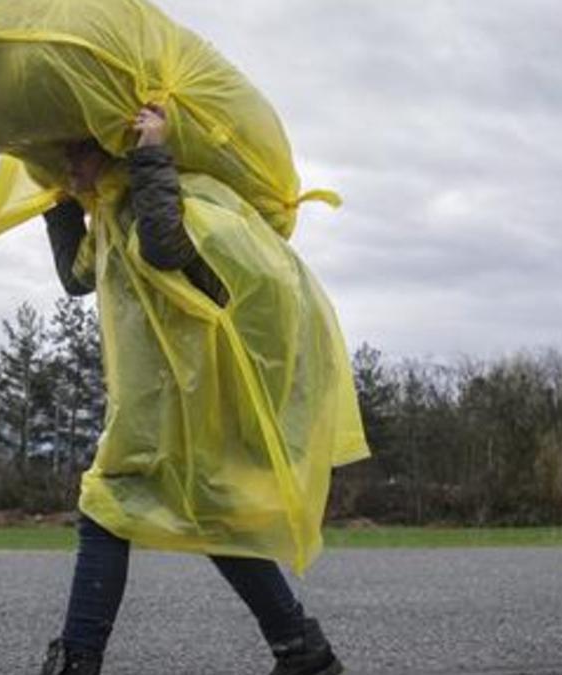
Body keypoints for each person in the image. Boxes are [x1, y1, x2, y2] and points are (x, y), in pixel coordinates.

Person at [39, 106, 344, 675]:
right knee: (216, 517)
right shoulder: (108, 213)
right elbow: (75, 279)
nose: (68, 162)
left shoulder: (153, 197)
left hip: (180, 398)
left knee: (104, 511)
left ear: (109, 147)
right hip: (165, 399)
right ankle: (302, 650)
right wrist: (57, 204)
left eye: (77, 151)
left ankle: (78, 661)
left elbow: (164, 247)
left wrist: (152, 149)